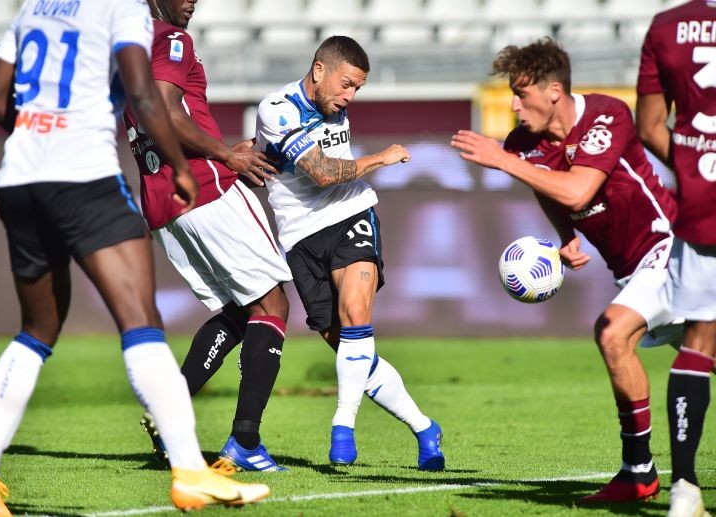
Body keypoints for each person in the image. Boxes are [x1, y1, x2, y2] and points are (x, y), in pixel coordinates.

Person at [0, 0, 269, 514]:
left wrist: (38, 137)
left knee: (37, 329)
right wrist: (178, 164)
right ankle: (190, 471)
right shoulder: (121, 9)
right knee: (141, 321)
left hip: (18, 179)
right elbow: (145, 96)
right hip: (85, 178)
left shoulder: (32, 9)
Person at [450, 38, 682, 503]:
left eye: (521, 94)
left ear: (554, 91)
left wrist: (500, 159)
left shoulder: (606, 114)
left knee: (613, 334)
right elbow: (552, 193)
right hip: (631, 268)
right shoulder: (523, 144)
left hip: (671, 248)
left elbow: (577, 192)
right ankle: (640, 472)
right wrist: (565, 234)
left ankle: (638, 473)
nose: (513, 105)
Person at [254, 35, 445, 471]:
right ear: (319, 70)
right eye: (346, 85)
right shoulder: (278, 108)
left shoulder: (332, 103)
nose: (349, 97)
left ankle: (343, 423)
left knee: (357, 316)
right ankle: (423, 427)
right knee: (348, 350)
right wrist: (382, 157)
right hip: (300, 237)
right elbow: (321, 172)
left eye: (357, 88)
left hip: (351, 215)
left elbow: (330, 178)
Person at [124, 0, 293, 472]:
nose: (192, 0)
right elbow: (166, 108)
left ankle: (168, 411)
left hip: (163, 201)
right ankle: (246, 442)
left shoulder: (125, 46)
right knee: (273, 305)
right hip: (203, 186)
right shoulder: (171, 39)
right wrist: (227, 157)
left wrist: (221, 152)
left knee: (242, 310)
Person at [636, 2, 716, 515]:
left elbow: (649, 126)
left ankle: (684, 488)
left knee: (699, 340)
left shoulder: (667, 25)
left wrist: (692, 171)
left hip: (705, 200)